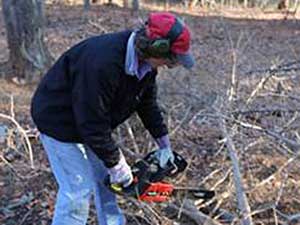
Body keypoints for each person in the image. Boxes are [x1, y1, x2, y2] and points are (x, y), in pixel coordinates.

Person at [31, 12, 195, 225]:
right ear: (156, 47)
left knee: (106, 183)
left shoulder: (146, 67)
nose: (169, 64)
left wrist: (164, 145)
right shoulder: (103, 63)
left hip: (91, 122)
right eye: (169, 58)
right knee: (78, 190)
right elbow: (92, 122)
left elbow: (147, 105)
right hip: (58, 121)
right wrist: (116, 164)